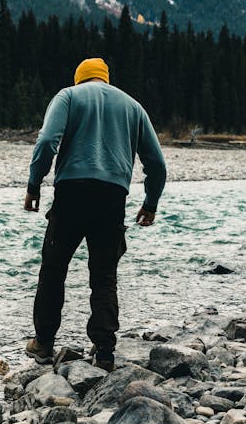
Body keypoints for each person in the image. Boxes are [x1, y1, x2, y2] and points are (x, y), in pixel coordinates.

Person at [24, 57, 166, 371]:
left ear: (80, 79)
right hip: (113, 196)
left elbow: (47, 141)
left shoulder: (68, 97)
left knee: (53, 269)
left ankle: (44, 344)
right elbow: (156, 163)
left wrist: (34, 184)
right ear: (105, 79)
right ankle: (103, 351)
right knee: (104, 277)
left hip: (72, 192)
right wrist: (150, 203)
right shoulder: (133, 107)